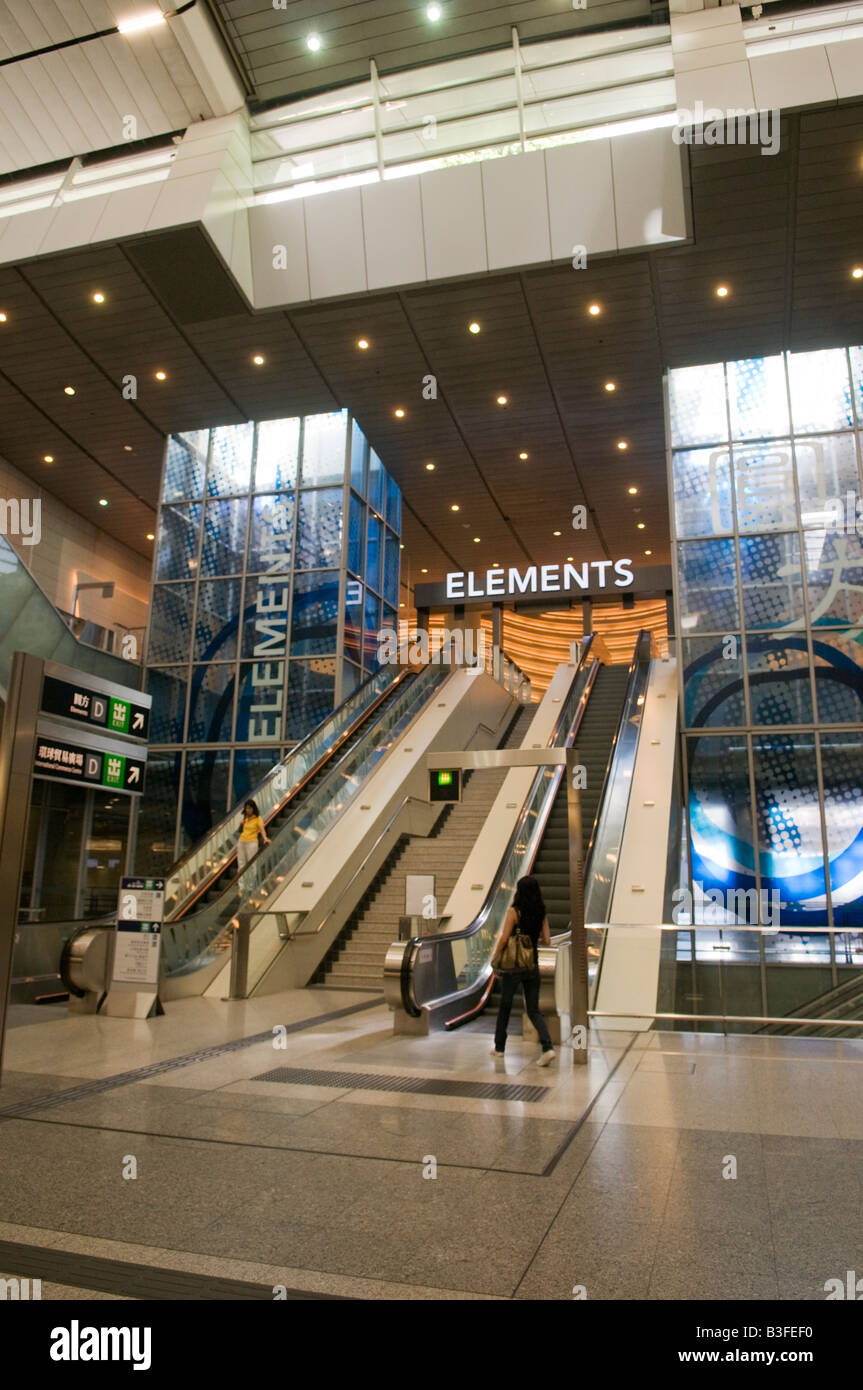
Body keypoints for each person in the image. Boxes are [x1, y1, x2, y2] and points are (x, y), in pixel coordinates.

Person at [490, 874, 555, 1065]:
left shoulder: (514, 912)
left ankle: (499, 1048)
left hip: (513, 966)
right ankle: (548, 1047)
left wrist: (495, 960)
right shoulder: (541, 911)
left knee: (505, 1006)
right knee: (534, 1010)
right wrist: (533, 940)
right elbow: (548, 940)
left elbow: (504, 938)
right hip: (532, 964)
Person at [236, 799, 270, 873]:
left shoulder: (258, 818)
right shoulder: (245, 818)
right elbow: (241, 830)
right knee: (241, 864)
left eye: (250, 808)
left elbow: (262, 829)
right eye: (246, 808)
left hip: (251, 843)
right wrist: (241, 824)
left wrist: (265, 838)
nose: (248, 810)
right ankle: (242, 884)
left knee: (251, 865)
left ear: (253, 808)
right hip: (241, 841)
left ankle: (251, 884)